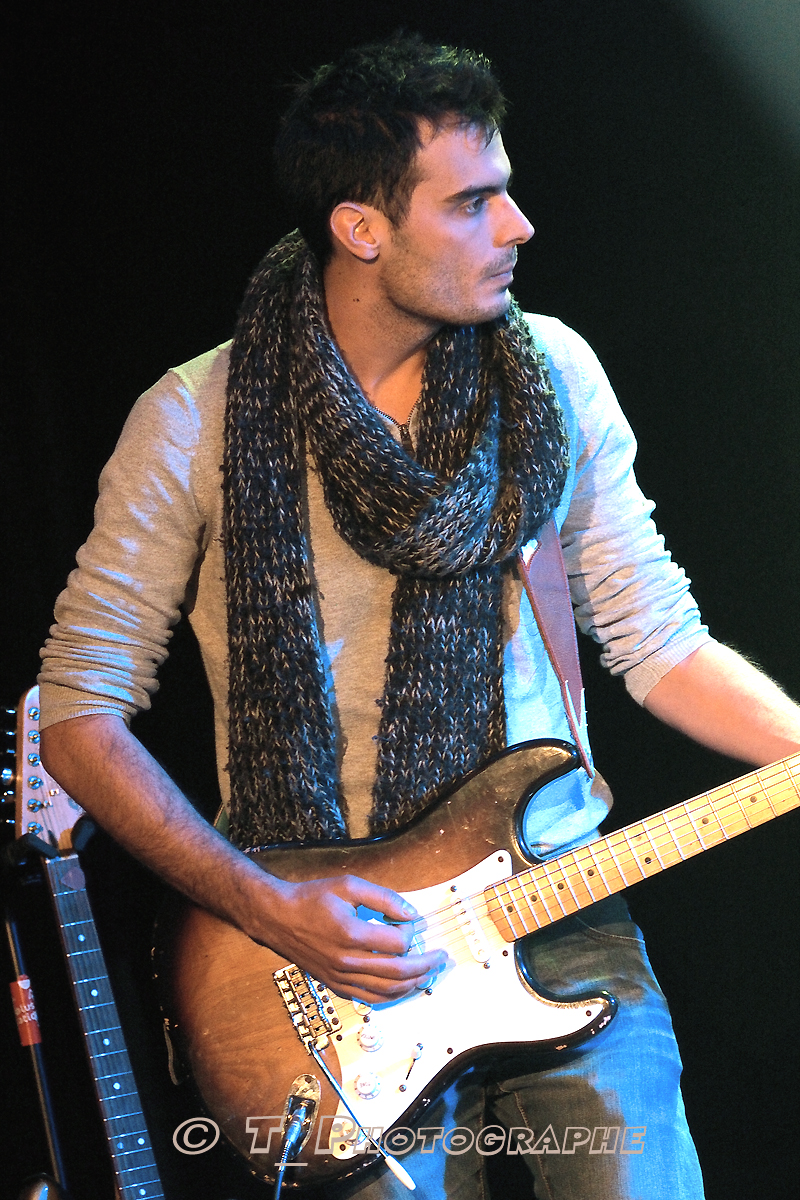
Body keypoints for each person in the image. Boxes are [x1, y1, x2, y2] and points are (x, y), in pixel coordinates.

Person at [38, 34, 800, 1200]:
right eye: (472, 202)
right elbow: (79, 714)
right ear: (361, 228)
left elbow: (657, 642)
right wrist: (265, 905)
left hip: (558, 908)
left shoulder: (551, 377)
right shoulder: (191, 418)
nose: (518, 227)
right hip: (313, 959)